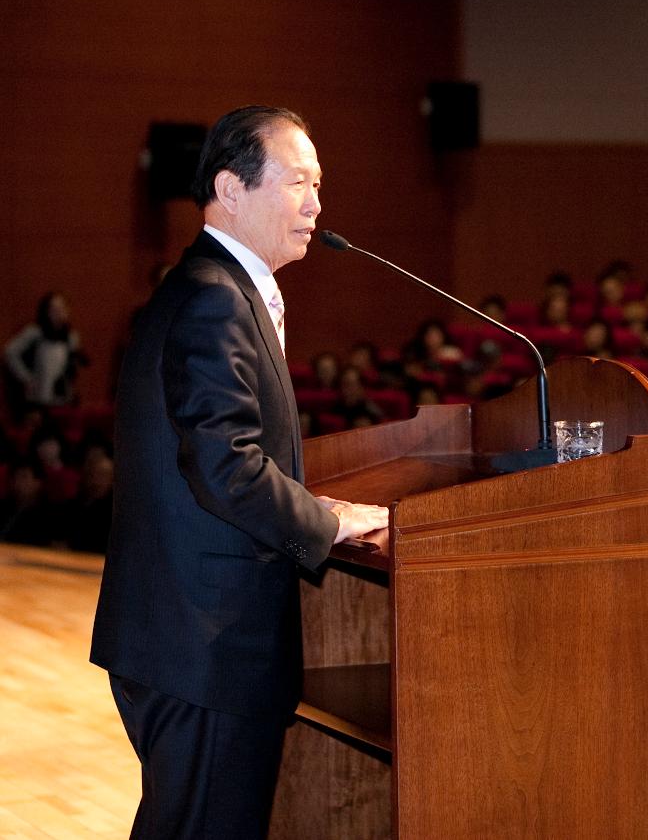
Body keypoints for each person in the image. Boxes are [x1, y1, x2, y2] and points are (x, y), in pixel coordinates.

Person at [89, 106, 389, 840]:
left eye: (319, 184)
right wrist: (329, 519)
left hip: (188, 639)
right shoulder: (215, 297)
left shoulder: (215, 287)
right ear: (230, 187)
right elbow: (225, 463)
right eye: (298, 183)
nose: (317, 204)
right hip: (204, 647)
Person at [4, 291, 87, 411]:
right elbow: (10, 352)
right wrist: (26, 377)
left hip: (63, 398)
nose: (59, 313)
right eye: (54, 309)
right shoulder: (35, 333)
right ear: (46, 311)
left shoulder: (71, 337)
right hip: (39, 399)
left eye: (62, 308)